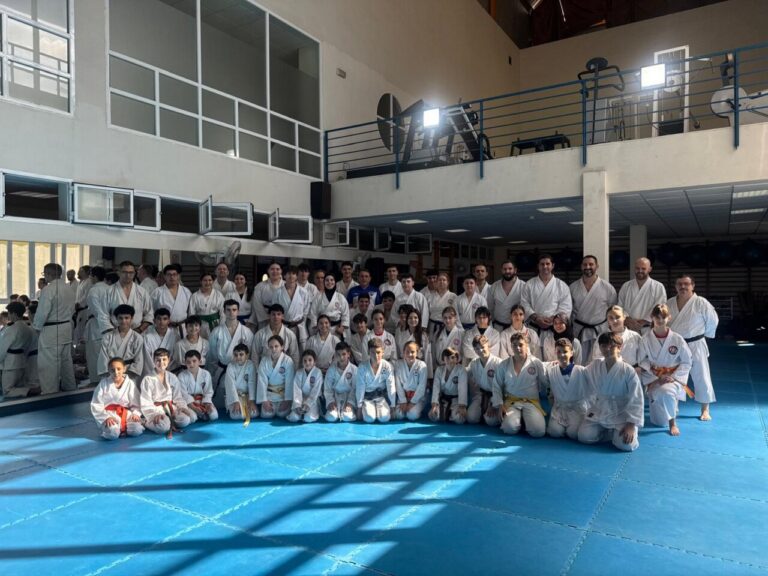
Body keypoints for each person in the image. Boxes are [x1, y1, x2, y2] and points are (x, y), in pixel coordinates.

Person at [578, 332, 645, 451]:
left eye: (611, 346)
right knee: (584, 437)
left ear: (619, 347)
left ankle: (622, 432)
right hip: (601, 410)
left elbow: (636, 398)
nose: (607, 349)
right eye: (603, 346)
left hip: (621, 413)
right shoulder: (596, 365)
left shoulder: (628, 371)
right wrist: (561, 366)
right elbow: (581, 373)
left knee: (626, 445)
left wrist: (631, 424)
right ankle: (610, 433)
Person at [667, 274, 719, 421]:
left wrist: (703, 336)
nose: (683, 287)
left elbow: (713, 321)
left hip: (696, 343)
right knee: (674, 375)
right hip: (676, 345)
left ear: (692, 286)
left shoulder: (701, 302)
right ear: (676, 286)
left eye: (686, 284)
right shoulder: (669, 303)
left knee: (701, 375)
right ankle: (673, 405)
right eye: (680, 284)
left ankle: (705, 409)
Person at [639, 304, 692, 436]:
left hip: (672, 377)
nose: (660, 320)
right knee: (657, 421)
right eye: (657, 317)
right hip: (655, 377)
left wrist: (673, 377)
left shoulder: (677, 339)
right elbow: (642, 360)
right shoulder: (645, 339)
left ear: (669, 318)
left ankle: (672, 423)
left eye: (663, 317)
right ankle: (671, 407)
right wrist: (656, 376)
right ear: (651, 317)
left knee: (666, 391)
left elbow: (687, 361)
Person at [492, 333, 549, 437]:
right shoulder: (504, 364)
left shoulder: (536, 363)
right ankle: (519, 421)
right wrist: (499, 405)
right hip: (512, 402)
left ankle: (525, 420)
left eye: (521, 345)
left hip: (531, 402)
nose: (517, 348)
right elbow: (496, 386)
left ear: (526, 345)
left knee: (538, 432)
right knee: (509, 429)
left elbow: (546, 382)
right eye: (514, 345)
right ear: (511, 346)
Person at [32, 263, 76, 394]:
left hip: (51, 330)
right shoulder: (69, 288)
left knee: (49, 364)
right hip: (66, 328)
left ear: (49, 274)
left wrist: (36, 328)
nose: (44, 276)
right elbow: (72, 309)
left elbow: (42, 312)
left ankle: (49, 393)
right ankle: (70, 389)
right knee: (66, 362)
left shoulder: (49, 289)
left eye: (44, 274)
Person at [140, 348, 196, 437]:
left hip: (170, 407)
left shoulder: (172, 377)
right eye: (158, 360)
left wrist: (182, 407)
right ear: (153, 361)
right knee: (163, 428)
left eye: (164, 359)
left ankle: (169, 420)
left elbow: (178, 397)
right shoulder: (148, 379)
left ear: (169, 360)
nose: (161, 362)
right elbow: (146, 402)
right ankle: (145, 422)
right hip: (156, 409)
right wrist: (155, 414)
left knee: (190, 418)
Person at [569, 255, 617, 360]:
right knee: (579, 360)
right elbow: (569, 311)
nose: (588, 267)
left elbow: (612, 311)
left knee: (599, 359)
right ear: (581, 266)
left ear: (597, 266)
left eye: (591, 264)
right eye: (585, 264)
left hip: (600, 330)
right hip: (579, 330)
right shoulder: (573, 287)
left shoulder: (607, 288)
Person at [545, 338, 590, 440]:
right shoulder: (551, 371)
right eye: (559, 352)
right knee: (554, 432)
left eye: (565, 352)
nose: (562, 355)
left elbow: (592, 388)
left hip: (577, 409)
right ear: (555, 353)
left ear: (572, 353)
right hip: (560, 408)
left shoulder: (581, 371)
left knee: (573, 434)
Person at [90, 357, 143, 440]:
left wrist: (135, 413)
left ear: (124, 369)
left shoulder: (130, 383)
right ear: (108, 370)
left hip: (126, 414)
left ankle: (126, 427)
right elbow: (96, 403)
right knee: (112, 434)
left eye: (119, 369)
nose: (116, 372)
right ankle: (113, 429)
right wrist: (105, 417)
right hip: (109, 415)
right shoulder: (103, 384)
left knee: (137, 430)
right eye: (112, 370)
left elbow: (136, 402)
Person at [521, 254, 572, 337]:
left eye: (547, 264)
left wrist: (553, 319)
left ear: (553, 266)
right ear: (538, 266)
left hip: (555, 328)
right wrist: (536, 318)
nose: (545, 266)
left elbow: (566, 306)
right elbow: (524, 304)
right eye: (542, 264)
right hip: (534, 328)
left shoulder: (561, 285)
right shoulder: (529, 284)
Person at [208, 299, 254, 391]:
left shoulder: (246, 332)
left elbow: (250, 354)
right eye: (228, 310)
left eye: (234, 310)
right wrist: (212, 374)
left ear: (238, 311)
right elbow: (212, 356)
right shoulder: (216, 332)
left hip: (241, 371)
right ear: (224, 311)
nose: (231, 312)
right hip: (222, 371)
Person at [618, 257, 667, 334]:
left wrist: (643, 321)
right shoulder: (626, 286)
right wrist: (628, 319)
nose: (640, 271)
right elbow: (620, 306)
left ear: (650, 269)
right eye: (637, 268)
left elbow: (659, 308)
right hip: (628, 328)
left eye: (643, 268)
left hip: (648, 329)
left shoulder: (658, 287)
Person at [354, 337, 396, 423]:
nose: (376, 356)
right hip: (367, 397)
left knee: (384, 418)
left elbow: (391, 386)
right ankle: (370, 409)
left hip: (381, 397)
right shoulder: (362, 367)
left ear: (383, 352)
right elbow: (360, 388)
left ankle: (379, 410)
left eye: (378, 352)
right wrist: (359, 407)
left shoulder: (387, 366)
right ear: (369, 352)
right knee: (369, 418)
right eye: (373, 352)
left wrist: (393, 406)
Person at [0, 302, 37, 398]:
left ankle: (31, 390)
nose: (8, 315)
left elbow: (2, 349)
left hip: (10, 364)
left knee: (7, 391)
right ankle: (29, 391)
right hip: (22, 362)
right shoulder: (28, 328)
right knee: (19, 386)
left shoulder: (11, 329)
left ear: (14, 314)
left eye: (9, 313)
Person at [99, 304, 144, 381]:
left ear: (132, 318)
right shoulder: (107, 337)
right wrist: (111, 374)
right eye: (120, 318)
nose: (123, 321)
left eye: (126, 318)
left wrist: (128, 375)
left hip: (129, 374)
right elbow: (103, 358)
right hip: (112, 373)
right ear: (116, 318)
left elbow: (139, 359)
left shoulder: (137, 338)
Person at [107, 261, 152, 333]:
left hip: (138, 332)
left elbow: (149, 314)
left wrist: (140, 329)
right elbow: (103, 315)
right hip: (115, 332)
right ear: (118, 273)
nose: (128, 275)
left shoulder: (142, 292)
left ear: (135, 273)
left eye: (131, 272)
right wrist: (113, 331)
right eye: (124, 272)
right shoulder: (109, 291)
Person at [256, 335, 295, 419]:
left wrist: (287, 400)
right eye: (271, 347)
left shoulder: (288, 361)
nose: (273, 349)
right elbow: (262, 381)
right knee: (267, 414)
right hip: (269, 395)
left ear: (282, 347)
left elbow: (290, 381)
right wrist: (264, 400)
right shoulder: (264, 361)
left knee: (282, 414)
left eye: (276, 346)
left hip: (283, 395)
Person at [467, 335, 502, 426]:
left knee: (491, 421)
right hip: (481, 395)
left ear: (488, 346)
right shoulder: (474, 363)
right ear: (474, 350)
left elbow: (504, 387)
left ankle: (494, 412)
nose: (481, 351)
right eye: (477, 349)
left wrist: (494, 404)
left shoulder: (498, 363)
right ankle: (482, 412)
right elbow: (464, 373)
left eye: (483, 347)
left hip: (496, 396)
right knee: (471, 418)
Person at [275, 266, 311, 351]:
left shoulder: (304, 292)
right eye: (288, 274)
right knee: (283, 350)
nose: (291, 276)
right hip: (283, 326)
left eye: (294, 274)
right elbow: (275, 310)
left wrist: (301, 323)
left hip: (299, 326)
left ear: (297, 276)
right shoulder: (277, 292)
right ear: (284, 276)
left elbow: (306, 311)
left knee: (300, 352)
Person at [151, 264, 191, 337]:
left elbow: (190, 311)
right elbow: (152, 311)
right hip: (164, 328)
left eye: (174, 274)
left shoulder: (186, 291)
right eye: (169, 275)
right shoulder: (157, 292)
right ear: (164, 276)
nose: (172, 277)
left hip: (183, 328)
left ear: (178, 276)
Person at [430, 347, 468, 424]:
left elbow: (462, 389)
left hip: (456, 400)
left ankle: (450, 413)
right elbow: (436, 388)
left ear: (457, 359)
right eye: (447, 357)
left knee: (459, 419)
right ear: (443, 359)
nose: (450, 360)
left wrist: (462, 406)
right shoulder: (439, 370)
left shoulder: (461, 370)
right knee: (433, 416)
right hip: (444, 399)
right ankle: (448, 413)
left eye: (453, 357)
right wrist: (434, 405)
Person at [178, 349, 217, 422]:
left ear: (200, 361)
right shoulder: (181, 376)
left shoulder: (206, 374)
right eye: (188, 362)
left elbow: (208, 391)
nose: (191, 364)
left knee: (214, 416)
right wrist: (194, 408)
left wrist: (207, 404)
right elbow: (184, 394)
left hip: (203, 400)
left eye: (194, 361)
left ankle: (202, 413)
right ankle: (198, 414)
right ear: (185, 363)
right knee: (192, 418)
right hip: (189, 403)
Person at [394, 341, 429, 421]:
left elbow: (421, 387)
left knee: (412, 416)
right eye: (407, 352)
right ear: (403, 353)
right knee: (399, 415)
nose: (410, 354)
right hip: (404, 396)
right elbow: (398, 385)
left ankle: (417, 408)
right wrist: (403, 401)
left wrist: (412, 402)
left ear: (417, 353)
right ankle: (404, 405)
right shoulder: (398, 364)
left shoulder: (422, 365)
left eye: (412, 352)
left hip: (417, 397)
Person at [324, 342, 358, 422]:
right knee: (331, 417)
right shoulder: (331, 370)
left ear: (348, 354)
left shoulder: (354, 369)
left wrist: (350, 403)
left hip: (349, 397)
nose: (341, 357)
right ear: (335, 355)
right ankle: (336, 410)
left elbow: (355, 389)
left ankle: (349, 410)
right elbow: (327, 388)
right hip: (335, 398)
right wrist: (331, 401)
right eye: (338, 355)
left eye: (344, 354)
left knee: (347, 417)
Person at [225, 343, 258, 423]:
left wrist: (251, 400)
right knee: (235, 416)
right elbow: (231, 385)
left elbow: (252, 383)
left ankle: (247, 407)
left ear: (247, 355)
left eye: (241, 354)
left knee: (255, 414)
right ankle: (236, 406)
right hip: (235, 395)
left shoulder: (250, 365)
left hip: (247, 395)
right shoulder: (230, 366)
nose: (238, 357)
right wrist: (235, 401)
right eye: (236, 355)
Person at [288, 349, 324, 423]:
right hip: (301, 399)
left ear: (315, 361)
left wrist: (308, 404)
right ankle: (299, 411)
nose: (307, 363)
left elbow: (315, 391)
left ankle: (310, 411)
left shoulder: (318, 372)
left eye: (310, 360)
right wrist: (297, 404)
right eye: (305, 361)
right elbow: (296, 389)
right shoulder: (299, 372)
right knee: (294, 417)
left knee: (308, 418)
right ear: (302, 362)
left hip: (313, 400)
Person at [309, 274, 350, 340]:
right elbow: (313, 313)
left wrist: (342, 327)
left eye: (332, 280)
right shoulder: (318, 297)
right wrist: (316, 327)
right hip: (322, 328)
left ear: (335, 282)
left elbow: (345, 314)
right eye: (327, 280)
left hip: (336, 328)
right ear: (324, 282)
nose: (329, 282)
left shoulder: (340, 297)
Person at [488, 260, 525, 332]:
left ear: (515, 270)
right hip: (498, 327)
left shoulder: (523, 286)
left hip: (517, 326)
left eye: (510, 269)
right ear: (501, 270)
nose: (507, 271)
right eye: (504, 269)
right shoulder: (494, 286)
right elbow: (490, 308)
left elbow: (525, 307)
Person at [395, 309, 433, 377]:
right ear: (407, 319)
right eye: (410, 318)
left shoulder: (424, 335)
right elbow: (397, 351)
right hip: (404, 366)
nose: (413, 320)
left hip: (418, 367)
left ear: (419, 319)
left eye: (415, 317)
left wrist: (428, 375)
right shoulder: (400, 333)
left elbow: (427, 355)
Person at [142, 308, 178, 376]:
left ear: (169, 321)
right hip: (152, 372)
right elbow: (147, 358)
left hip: (169, 371)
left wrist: (166, 368)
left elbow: (174, 357)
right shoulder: (147, 337)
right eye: (159, 319)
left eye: (165, 319)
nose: (161, 322)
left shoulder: (174, 336)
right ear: (154, 320)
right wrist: (157, 370)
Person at [188, 272, 224, 338]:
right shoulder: (195, 296)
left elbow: (223, 312)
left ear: (213, 281)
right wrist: (194, 327)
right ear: (201, 281)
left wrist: (221, 327)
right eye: (205, 280)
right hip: (200, 325)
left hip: (215, 324)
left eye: (210, 280)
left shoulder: (218, 295)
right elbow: (191, 313)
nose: (207, 283)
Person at [251, 261, 284, 329]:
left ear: (281, 271)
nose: (275, 271)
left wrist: (281, 317)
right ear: (268, 271)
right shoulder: (260, 286)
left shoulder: (286, 285)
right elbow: (257, 304)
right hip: (265, 319)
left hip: (282, 319)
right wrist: (266, 318)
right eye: (272, 269)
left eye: (277, 269)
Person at [426, 271, 457, 336]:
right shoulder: (430, 296)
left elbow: (456, 314)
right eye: (439, 280)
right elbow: (426, 314)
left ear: (448, 282)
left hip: (447, 326)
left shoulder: (453, 296)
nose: (441, 282)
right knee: (433, 345)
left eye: (444, 280)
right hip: (432, 326)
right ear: (436, 282)